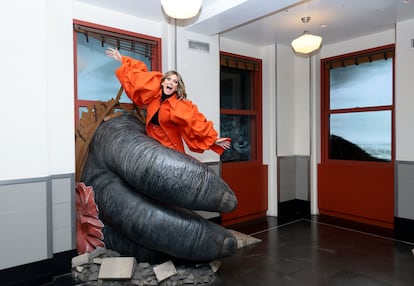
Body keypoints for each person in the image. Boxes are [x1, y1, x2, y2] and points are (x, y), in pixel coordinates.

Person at [105, 47, 231, 155]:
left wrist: (213, 140)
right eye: (169, 79)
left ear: (177, 87)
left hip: (170, 149)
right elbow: (137, 77)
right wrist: (122, 60)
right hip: (151, 145)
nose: (171, 82)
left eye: (175, 82)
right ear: (163, 81)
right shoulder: (153, 96)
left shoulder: (180, 106)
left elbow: (196, 124)